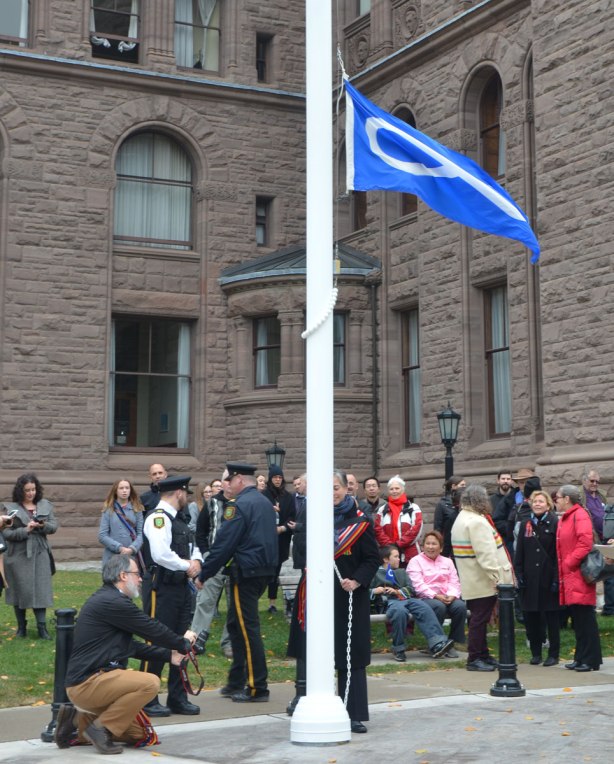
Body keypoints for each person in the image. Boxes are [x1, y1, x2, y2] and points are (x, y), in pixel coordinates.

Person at [55, 555, 195, 754]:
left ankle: (75, 723)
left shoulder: (111, 600)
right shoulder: (113, 602)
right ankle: (101, 729)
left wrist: (170, 655)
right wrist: (183, 642)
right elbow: (151, 629)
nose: (140, 579)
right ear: (123, 575)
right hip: (87, 683)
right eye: (138, 574)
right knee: (150, 683)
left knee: (139, 734)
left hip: (94, 683)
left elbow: (132, 647)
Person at [196, 462, 278, 703]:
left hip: (246, 573)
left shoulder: (239, 505)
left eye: (228, 482)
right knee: (235, 625)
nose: (225, 487)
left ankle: (256, 687)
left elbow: (224, 543)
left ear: (239, 480)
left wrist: (204, 573)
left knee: (246, 629)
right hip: (261, 571)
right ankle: (236, 680)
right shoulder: (263, 502)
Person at [140, 475, 202, 717]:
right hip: (161, 588)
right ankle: (147, 696)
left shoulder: (179, 520)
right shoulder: (158, 518)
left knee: (182, 642)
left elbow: (193, 544)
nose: (186, 498)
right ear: (178, 493)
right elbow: (159, 554)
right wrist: (187, 565)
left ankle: (178, 697)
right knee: (156, 640)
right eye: (185, 493)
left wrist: (196, 560)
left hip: (180, 589)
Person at [451, 483, 514, 672]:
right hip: (483, 579)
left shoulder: (463, 518)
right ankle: (475, 657)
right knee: (479, 620)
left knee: (479, 619)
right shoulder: (477, 521)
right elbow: (486, 555)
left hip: (473, 578)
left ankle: (483, 654)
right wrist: (496, 578)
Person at [372, 543, 455, 661]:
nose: (398, 559)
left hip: (405, 598)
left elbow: (411, 589)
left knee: (423, 607)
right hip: (389, 602)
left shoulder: (402, 572)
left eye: (398, 556)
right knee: (400, 612)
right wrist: (375, 590)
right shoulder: (375, 573)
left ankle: (438, 643)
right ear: (386, 559)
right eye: (395, 556)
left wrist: (397, 591)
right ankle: (398, 648)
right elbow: (366, 591)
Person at [2, 473, 58, 640]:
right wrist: (25, 530)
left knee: (41, 590)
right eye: (27, 490)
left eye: (33, 489)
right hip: (18, 554)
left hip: (40, 552)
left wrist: (42, 525)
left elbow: (54, 526)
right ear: (21, 491)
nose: (31, 493)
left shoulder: (45, 505)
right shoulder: (10, 508)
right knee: (20, 590)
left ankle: (42, 628)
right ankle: (21, 628)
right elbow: (5, 532)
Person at [555, 484, 602, 672]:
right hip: (571, 575)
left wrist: (568, 563)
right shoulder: (568, 516)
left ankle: (590, 660)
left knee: (585, 619)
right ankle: (581, 657)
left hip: (578, 574)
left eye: (557, 497)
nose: (555, 500)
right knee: (579, 620)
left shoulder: (579, 515)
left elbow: (584, 543)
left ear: (567, 499)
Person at [513, 490, 560, 666]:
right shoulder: (526, 524)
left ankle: (553, 654)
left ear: (548, 504)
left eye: (541, 501)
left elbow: (557, 554)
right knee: (531, 618)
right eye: (535, 501)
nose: (537, 504)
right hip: (530, 579)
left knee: (551, 618)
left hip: (548, 578)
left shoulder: (554, 523)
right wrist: (519, 575)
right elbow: (519, 554)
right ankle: (536, 653)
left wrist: (556, 578)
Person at [190, 470, 233, 658]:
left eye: (232, 480)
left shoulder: (244, 503)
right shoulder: (211, 503)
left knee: (234, 605)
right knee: (205, 602)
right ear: (221, 483)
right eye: (226, 480)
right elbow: (200, 532)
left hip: (236, 564)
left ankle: (229, 643)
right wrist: (207, 554)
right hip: (213, 563)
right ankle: (195, 640)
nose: (229, 484)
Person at [407, 530, 467, 654]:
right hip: (425, 597)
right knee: (439, 607)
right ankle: (436, 643)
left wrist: (452, 595)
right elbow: (418, 585)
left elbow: (454, 581)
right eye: (427, 544)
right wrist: (435, 595)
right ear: (423, 546)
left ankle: (453, 642)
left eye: (434, 544)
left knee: (460, 606)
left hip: (447, 596)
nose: (430, 547)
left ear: (441, 547)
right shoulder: (415, 561)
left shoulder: (447, 561)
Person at [262, 465, 295, 613]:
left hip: (282, 539)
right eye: (275, 477)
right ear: (270, 479)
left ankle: (272, 603)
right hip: (266, 539)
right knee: (266, 571)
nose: (277, 480)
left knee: (276, 571)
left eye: (280, 477)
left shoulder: (288, 497)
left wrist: (283, 528)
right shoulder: (263, 495)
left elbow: (292, 517)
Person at [374, 475, 422, 565]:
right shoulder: (382, 510)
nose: (394, 491)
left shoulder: (414, 508)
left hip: (410, 556)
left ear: (403, 490)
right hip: (389, 556)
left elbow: (416, 529)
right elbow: (378, 530)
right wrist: (390, 546)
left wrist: (399, 544)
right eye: (391, 489)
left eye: (397, 488)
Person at [97, 478, 144, 570]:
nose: (124, 490)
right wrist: (119, 548)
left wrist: (132, 548)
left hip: (131, 556)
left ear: (130, 490)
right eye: (121, 488)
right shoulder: (108, 510)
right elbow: (102, 535)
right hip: (112, 556)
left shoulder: (137, 509)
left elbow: (141, 534)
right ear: (115, 491)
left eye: (127, 488)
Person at [433, 475, 466, 559]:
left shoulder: (467, 503)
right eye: (462, 485)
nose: (465, 487)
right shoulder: (442, 504)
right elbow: (438, 527)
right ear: (453, 486)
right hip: (449, 545)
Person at [489, 469, 516, 552]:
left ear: (511, 481)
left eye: (508, 479)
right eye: (503, 479)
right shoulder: (491, 500)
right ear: (498, 481)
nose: (505, 481)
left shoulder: (517, 497)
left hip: (514, 537)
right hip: (497, 538)